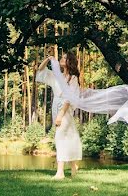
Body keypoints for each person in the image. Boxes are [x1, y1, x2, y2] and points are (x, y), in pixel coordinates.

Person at [37, 51, 82, 179]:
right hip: (56, 106)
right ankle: (73, 168)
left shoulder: (72, 78)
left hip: (64, 109)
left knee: (60, 137)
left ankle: (60, 172)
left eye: (64, 58)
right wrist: (48, 58)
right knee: (69, 137)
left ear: (69, 62)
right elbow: (40, 70)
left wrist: (60, 115)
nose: (61, 59)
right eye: (61, 57)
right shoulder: (57, 76)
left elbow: (69, 98)